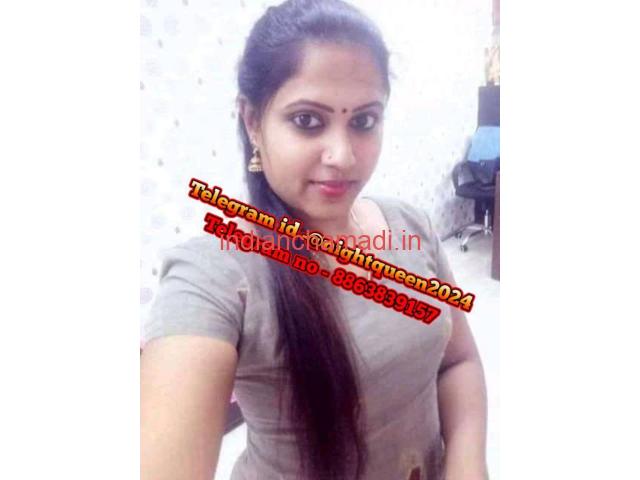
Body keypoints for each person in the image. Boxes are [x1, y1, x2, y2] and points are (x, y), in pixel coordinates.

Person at [140, 1, 489, 479]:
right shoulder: (215, 274)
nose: (342, 156)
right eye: (307, 120)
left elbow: (458, 362)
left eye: (363, 121)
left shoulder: (411, 226)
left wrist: (467, 465)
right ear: (252, 121)